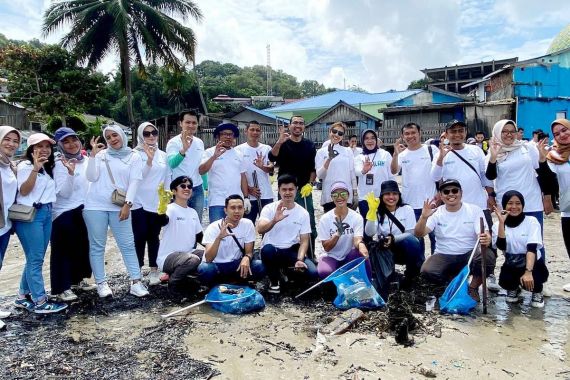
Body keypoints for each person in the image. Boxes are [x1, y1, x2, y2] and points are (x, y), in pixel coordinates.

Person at [83, 125, 149, 298]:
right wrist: (92, 156)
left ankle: (136, 282)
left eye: (115, 135)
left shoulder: (134, 156)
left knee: (127, 244)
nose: (113, 139)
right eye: (108, 137)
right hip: (95, 206)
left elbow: (135, 181)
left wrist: (128, 204)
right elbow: (91, 177)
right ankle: (101, 283)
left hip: (120, 206)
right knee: (98, 246)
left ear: (121, 135)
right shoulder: (101, 156)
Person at [415, 179, 495, 301]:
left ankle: (472, 288)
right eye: (446, 192)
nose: (451, 194)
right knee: (427, 270)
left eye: (454, 190)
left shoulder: (474, 209)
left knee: (487, 256)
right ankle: (448, 286)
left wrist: (486, 238)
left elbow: (485, 234)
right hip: (444, 254)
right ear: (441, 196)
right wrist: (423, 217)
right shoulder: (436, 213)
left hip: (469, 253)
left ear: (461, 193)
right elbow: (419, 233)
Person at [13, 133, 67, 313]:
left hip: (45, 213)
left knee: (34, 258)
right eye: (39, 146)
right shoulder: (25, 166)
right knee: (35, 259)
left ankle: (22, 296)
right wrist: (35, 169)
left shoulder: (47, 168)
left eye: (47, 146)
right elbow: (24, 191)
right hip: (31, 215)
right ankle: (40, 302)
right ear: (31, 149)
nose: (44, 149)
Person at [485, 120, 546, 261]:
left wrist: (547, 196)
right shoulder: (492, 152)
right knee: (511, 243)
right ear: (497, 132)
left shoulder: (526, 148)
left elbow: (541, 171)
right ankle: (513, 277)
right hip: (507, 204)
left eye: (512, 131)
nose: (509, 134)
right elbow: (490, 176)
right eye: (504, 131)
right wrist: (494, 157)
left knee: (535, 243)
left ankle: (535, 276)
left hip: (531, 201)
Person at [50, 127, 94, 303]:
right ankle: (62, 287)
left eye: (73, 140)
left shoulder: (86, 160)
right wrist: (69, 173)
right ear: (60, 145)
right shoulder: (59, 164)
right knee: (62, 250)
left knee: (81, 247)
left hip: (83, 209)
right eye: (65, 142)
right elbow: (64, 193)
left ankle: (77, 280)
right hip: (63, 212)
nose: (71, 144)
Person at [258, 174, 318, 294]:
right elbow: (260, 229)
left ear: (296, 190)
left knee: (312, 273)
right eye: (284, 190)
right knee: (267, 250)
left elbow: (304, 240)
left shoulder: (303, 213)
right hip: (272, 250)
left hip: (291, 250)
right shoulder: (269, 208)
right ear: (279, 191)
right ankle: (274, 282)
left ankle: (287, 274)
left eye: (291, 189)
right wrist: (274, 220)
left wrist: (300, 259)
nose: (287, 193)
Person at [268, 115, 317, 257]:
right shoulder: (283, 143)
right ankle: (283, 255)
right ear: (289, 126)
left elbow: (312, 169)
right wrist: (279, 141)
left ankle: (310, 255)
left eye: (301, 123)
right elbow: (272, 157)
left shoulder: (309, 145)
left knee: (309, 221)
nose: (298, 125)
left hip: (303, 190)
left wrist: (310, 184)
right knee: (283, 220)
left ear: (304, 127)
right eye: (295, 123)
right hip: (286, 189)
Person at [493, 191, 548, 308]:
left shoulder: (531, 221)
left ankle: (537, 291)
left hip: (532, 262)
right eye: (510, 203)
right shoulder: (497, 224)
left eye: (518, 203)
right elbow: (502, 247)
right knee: (508, 288)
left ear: (523, 205)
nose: (514, 207)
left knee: (536, 294)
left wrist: (528, 272)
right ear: (504, 205)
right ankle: (513, 288)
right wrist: (502, 223)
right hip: (512, 261)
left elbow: (532, 248)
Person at [131, 122, 169, 286]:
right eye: (146, 134)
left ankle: (154, 269)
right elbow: (137, 178)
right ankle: (136, 272)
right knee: (139, 237)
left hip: (156, 202)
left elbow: (167, 177)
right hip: (138, 202)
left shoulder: (163, 155)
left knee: (154, 237)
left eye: (153, 132)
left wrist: (166, 201)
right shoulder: (134, 154)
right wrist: (149, 160)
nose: (151, 136)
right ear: (140, 136)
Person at [391, 122, 438, 254]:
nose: (410, 136)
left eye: (413, 133)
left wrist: (440, 192)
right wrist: (395, 154)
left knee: (436, 237)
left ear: (419, 133)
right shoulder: (402, 154)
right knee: (417, 239)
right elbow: (394, 170)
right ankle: (419, 268)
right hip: (410, 204)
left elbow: (440, 171)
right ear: (402, 136)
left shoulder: (431, 150)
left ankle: (437, 269)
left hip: (431, 203)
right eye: (407, 133)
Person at [198, 194, 265, 286]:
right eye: (233, 208)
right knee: (205, 269)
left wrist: (247, 258)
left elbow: (249, 252)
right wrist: (219, 238)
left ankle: (237, 281)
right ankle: (215, 285)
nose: (237, 211)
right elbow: (209, 258)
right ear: (225, 210)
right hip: (217, 265)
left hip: (236, 264)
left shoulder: (248, 224)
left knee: (259, 266)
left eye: (240, 207)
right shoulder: (213, 227)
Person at [364, 180, 424, 282]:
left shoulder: (407, 209)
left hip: (403, 248)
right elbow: (369, 233)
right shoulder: (377, 210)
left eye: (394, 194)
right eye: (387, 194)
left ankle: (411, 274)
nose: (391, 197)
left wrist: (393, 239)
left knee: (414, 241)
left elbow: (411, 234)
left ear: (399, 195)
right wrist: (372, 212)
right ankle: (389, 276)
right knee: (387, 280)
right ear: (382, 196)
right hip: (385, 248)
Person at [536, 118, 570, 292]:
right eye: (557, 134)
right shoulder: (554, 156)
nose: (562, 135)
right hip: (568, 210)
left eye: (564, 130)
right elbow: (548, 178)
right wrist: (542, 159)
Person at [156, 176, 203, 299]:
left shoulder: (193, 212)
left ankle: (194, 283)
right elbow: (162, 221)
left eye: (189, 186)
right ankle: (173, 284)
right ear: (174, 191)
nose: (187, 188)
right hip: (168, 257)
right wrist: (161, 209)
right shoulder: (170, 209)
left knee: (209, 256)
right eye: (183, 186)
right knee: (193, 260)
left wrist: (216, 246)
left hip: (188, 253)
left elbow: (200, 237)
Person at [316, 181, 370, 279]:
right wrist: (337, 234)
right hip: (331, 256)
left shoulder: (356, 217)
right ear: (332, 198)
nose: (339, 197)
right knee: (324, 272)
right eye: (335, 195)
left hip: (350, 255)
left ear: (348, 196)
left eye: (343, 194)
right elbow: (326, 248)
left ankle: (369, 285)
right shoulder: (325, 219)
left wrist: (361, 245)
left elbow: (357, 239)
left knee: (363, 257)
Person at [199, 123, 250, 223]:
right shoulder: (209, 152)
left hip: (236, 201)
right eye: (224, 134)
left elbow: (243, 177)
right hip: (217, 201)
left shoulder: (239, 154)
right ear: (218, 136)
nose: (228, 137)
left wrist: (246, 197)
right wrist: (214, 157)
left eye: (230, 134)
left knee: (236, 232)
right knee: (218, 231)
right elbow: (201, 170)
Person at [166, 110, 205, 222]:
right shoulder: (173, 142)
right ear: (180, 123)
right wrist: (184, 150)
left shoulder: (199, 142)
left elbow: (199, 167)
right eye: (187, 122)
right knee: (178, 222)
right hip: (180, 189)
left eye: (194, 123)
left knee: (196, 223)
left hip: (197, 188)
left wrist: (205, 187)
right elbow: (172, 164)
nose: (191, 125)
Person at [355, 129, 394, 236]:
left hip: (383, 197)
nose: (370, 141)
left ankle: (383, 251)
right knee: (368, 229)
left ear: (376, 140)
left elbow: (391, 176)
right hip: (366, 198)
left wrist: (392, 194)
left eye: (372, 138)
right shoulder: (359, 157)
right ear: (362, 141)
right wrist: (364, 170)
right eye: (366, 138)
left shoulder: (385, 154)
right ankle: (368, 250)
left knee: (385, 227)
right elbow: (357, 171)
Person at [0, 126, 20, 323]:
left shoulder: (9, 165)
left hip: (4, 226)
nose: (11, 144)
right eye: (7, 139)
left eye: (15, 140)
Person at [235, 120, 274, 224]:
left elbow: (271, 169)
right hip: (248, 196)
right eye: (252, 129)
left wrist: (262, 166)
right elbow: (235, 174)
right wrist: (248, 189)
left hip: (266, 195)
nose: (255, 132)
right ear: (246, 131)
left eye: (257, 130)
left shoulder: (266, 148)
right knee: (247, 225)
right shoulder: (238, 150)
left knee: (267, 226)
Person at [315, 122, 358, 212]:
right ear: (330, 131)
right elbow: (320, 176)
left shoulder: (348, 151)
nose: (336, 135)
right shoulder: (321, 152)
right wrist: (329, 159)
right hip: (329, 196)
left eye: (340, 133)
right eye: (334, 131)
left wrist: (355, 193)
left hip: (346, 195)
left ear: (342, 136)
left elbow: (352, 173)